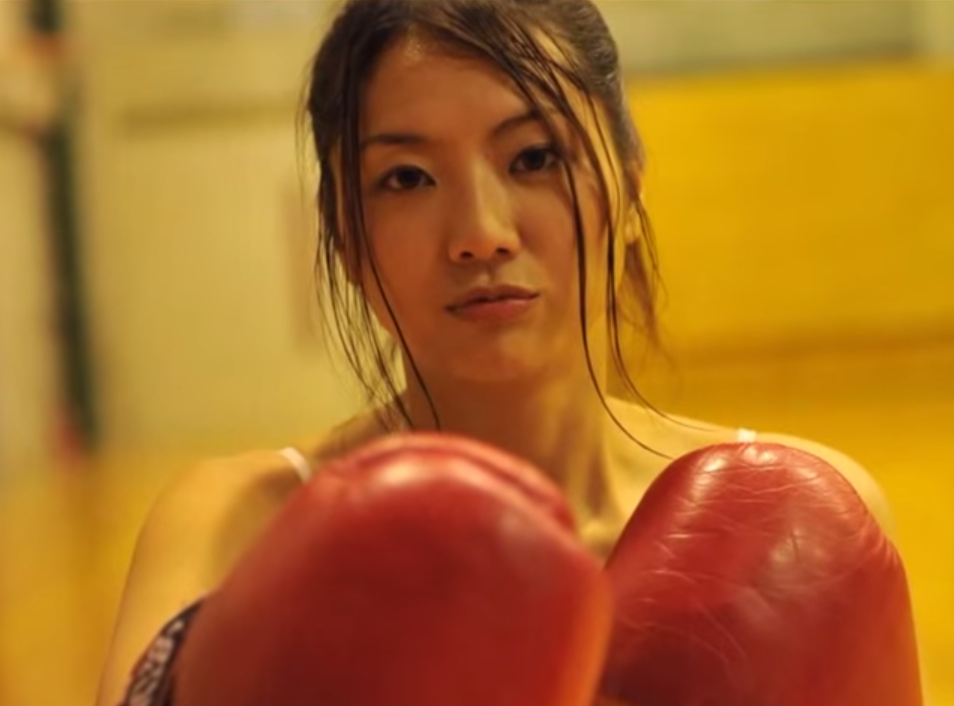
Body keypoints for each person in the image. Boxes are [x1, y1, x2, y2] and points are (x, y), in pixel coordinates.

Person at [94, 1, 906, 704]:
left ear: (629, 193)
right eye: (407, 178)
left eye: (534, 158)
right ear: (344, 235)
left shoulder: (806, 529)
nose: (481, 233)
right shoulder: (238, 528)